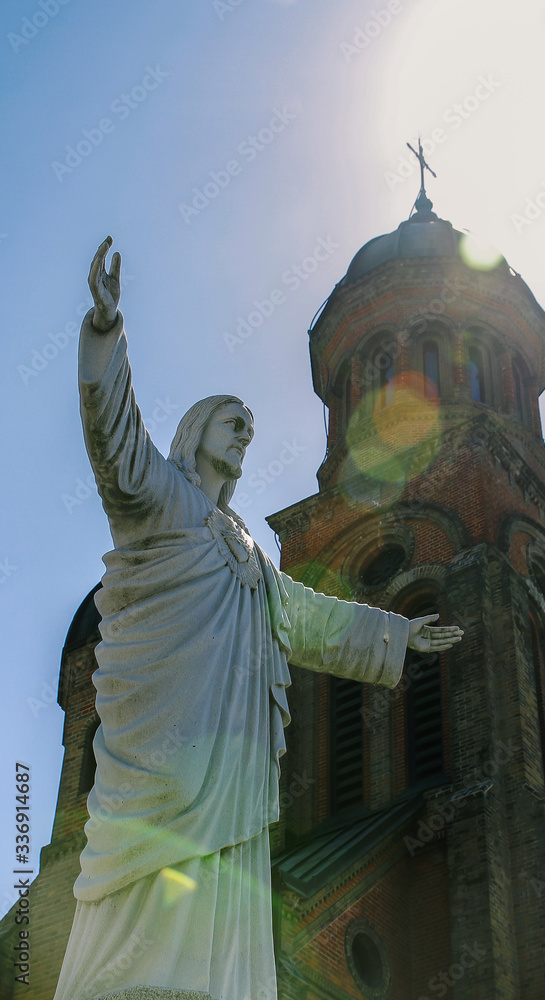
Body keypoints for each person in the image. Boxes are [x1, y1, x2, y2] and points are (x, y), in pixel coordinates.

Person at [53, 237, 463, 1000]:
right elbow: (113, 442)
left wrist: (396, 634)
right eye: (229, 421)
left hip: (230, 751)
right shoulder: (161, 499)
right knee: (154, 862)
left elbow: (307, 618)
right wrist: (107, 337)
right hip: (167, 732)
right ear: (194, 434)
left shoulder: (245, 549)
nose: (244, 433)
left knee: (220, 868)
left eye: (248, 425)